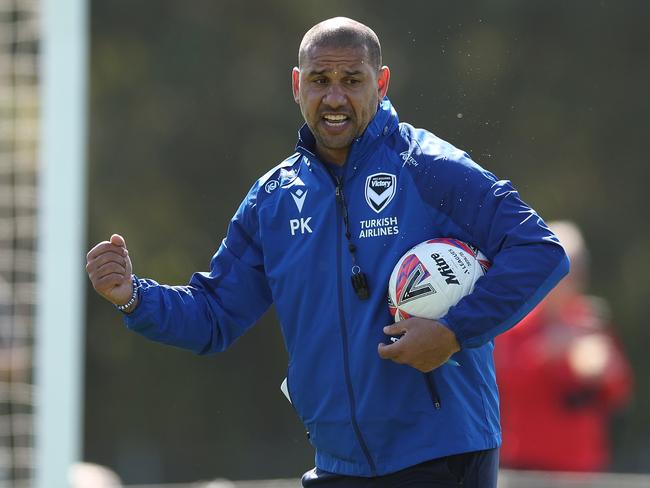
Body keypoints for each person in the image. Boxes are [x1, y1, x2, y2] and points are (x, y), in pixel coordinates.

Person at [85, 17, 570, 488]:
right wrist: (132, 297)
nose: (334, 97)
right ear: (297, 85)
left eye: (351, 80)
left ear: (380, 84)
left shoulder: (430, 168)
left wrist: (452, 332)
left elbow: (539, 251)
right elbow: (214, 315)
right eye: (320, 80)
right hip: (339, 463)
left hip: (442, 456)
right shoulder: (272, 199)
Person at [495, 221, 633, 472]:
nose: (571, 280)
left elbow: (618, 394)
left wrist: (606, 368)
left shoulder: (588, 323)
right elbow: (502, 383)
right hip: (526, 465)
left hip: (581, 466)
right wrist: (547, 351)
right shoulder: (515, 320)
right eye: (564, 269)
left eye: (578, 269)